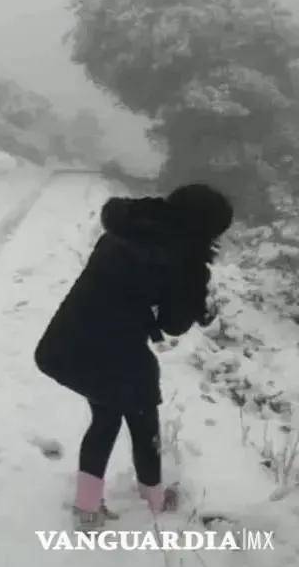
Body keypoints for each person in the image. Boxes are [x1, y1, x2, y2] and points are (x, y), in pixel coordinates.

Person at [34, 184, 233, 531]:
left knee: (107, 415)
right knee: (142, 421)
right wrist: (200, 304)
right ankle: (154, 499)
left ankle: (88, 506)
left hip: (66, 340)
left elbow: (123, 285)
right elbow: (173, 325)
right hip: (115, 350)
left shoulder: (127, 226)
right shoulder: (184, 261)